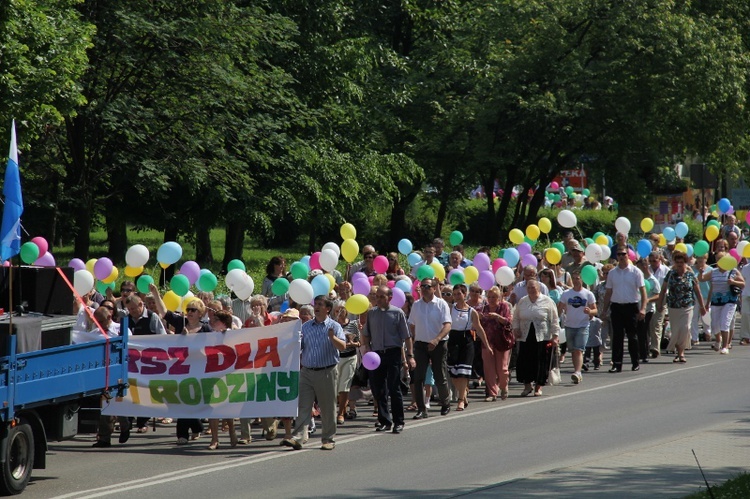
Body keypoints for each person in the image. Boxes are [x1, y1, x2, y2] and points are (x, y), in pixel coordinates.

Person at [282, 296, 346, 451]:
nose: (316, 307)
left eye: (320, 305)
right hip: (307, 372)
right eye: (315, 304)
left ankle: (328, 438)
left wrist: (332, 337)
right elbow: (300, 347)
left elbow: (343, 346)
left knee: (327, 407)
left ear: (328, 309)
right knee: (303, 405)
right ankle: (299, 437)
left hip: (326, 371)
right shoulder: (306, 327)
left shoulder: (334, 326)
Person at [361, 286, 414, 433]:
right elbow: (366, 333)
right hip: (376, 355)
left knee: (394, 387)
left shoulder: (397, 313)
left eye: (381, 297)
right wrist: (367, 348)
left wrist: (410, 356)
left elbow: (407, 336)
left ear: (390, 297)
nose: (378, 299)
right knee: (379, 389)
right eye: (377, 296)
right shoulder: (372, 313)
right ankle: (384, 420)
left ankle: (399, 421)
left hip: (393, 353)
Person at [408, 277, 452, 419]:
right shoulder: (416, 305)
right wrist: (415, 340)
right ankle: (422, 409)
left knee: (439, 376)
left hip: (438, 344)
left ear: (434, 288)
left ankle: (445, 402)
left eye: (427, 286)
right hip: (421, 345)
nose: (424, 289)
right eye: (422, 286)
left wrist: (437, 339)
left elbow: (447, 325)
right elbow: (412, 324)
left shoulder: (441, 304)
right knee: (418, 377)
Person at [602, 247, 647, 373]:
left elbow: (643, 292)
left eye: (623, 254)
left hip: (631, 307)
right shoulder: (612, 273)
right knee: (617, 337)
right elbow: (608, 292)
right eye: (619, 254)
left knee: (632, 336)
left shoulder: (636, 272)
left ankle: (635, 362)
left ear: (628, 255)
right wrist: (604, 310)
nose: (621, 256)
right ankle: (616, 364)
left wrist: (643, 308)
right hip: (616, 307)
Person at [656, 251, 707, 363]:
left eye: (681, 262)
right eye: (677, 262)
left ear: (685, 262)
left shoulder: (690, 275)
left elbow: (697, 291)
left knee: (685, 328)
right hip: (673, 306)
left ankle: (681, 353)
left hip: (687, 306)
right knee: (676, 331)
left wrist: (702, 307)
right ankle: (677, 351)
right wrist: (659, 303)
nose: (679, 264)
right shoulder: (670, 274)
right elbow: (663, 290)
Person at [512, 280, 560, 396]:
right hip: (525, 336)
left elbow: (554, 319)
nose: (530, 289)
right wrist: (516, 329)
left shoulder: (547, 301)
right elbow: (516, 318)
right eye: (528, 287)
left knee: (541, 361)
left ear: (538, 288)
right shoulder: (523, 301)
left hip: (542, 336)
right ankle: (527, 386)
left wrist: (555, 336)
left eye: (533, 287)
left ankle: (538, 386)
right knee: (525, 361)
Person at [448, 284, 491, 411]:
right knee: (453, 373)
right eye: (454, 294)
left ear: (464, 294)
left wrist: (487, 345)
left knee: (463, 372)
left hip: (466, 340)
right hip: (453, 340)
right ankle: (464, 393)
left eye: (459, 294)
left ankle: (460, 400)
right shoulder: (451, 308)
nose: (456, 296)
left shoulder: (471, 312)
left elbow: (479, 328)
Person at [699, 252, 745, 354]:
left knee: (725, 323)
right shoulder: (713, 272)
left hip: (729, 301)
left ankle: (725, 346)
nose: (720, 262)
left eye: (722, 259)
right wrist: (700, 272)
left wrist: (733, 282)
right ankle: (718, 340)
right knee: (714, 325)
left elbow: (743, 284)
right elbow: (701, 279)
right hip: (716, 301)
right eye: (718, 259)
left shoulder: (733, 271)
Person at [206, 310, 238, 449]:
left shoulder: (233, 334)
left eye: (216, 319)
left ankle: (232, 431)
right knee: (213, 407)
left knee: (226, 407)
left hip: (229, 374)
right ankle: (214, 439)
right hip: (212, 373)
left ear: (224, 322)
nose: (212, 321)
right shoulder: (208, 335)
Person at [558, 271, 597, 384]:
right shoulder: (566, 294)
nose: (576, 280)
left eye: (578, 278)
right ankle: (577, 372)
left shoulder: (588, 294)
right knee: (573, 350)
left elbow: (595, 310)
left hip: (583, 325)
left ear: (582, 279)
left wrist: (590, 311)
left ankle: (577, 372)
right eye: (574, 278)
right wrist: (556, 318)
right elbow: (559, 308)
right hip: (569, 325)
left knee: (578, 350)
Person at [478, 286, 513, 401]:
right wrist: (479, 317)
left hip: (501, 341)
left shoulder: (503, 307)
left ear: (499, 297)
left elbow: (508, 322)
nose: (491, 299)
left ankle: (503, 386)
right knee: (489, 369)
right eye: (489, 297)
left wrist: (498, 317)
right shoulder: (483, 308)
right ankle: (492, 393)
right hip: (487, 342)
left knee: (502, 369)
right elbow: (476, 323)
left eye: (494, 297)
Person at [332, 301, 360, 426]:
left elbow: (359, 342)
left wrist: (352, 343)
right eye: (337, 310)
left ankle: (341, 413)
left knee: (344, 385)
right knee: (336, 387)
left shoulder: (353, 324)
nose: (340, 313)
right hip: (336, 358)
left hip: (350, 357)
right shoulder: (332, 325)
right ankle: (342, 408)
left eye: (342, 310)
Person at [635, 258, 660, 364]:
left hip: (648, 309)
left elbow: (658, 295)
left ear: (644, 266)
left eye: (639, 266)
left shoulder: (652, 280)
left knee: (643, 331)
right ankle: (640, 352)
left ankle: (644, 354)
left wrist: (648, 300)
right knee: (639, 331)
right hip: (637, 307)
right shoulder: (637, 279)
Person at [648, 251, 669, 358]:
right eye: (650, 261)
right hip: (649, 298)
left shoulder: (666, 270)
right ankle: (647, 345)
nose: (652, 263)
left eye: (654, 261)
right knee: (649, 323)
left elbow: (668, 287)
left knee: (657, 323)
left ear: (659, 259)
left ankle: (655, 347)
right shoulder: (647, 269)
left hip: (662, 298)